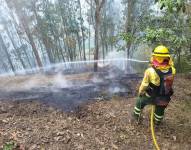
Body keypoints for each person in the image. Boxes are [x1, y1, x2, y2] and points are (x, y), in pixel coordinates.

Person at [132, 45, 176, 125]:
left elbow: (144, 84)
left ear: (155, 57)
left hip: (152, 96)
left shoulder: (150, 71)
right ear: (168, 58)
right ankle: (157, 122)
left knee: (139, 101)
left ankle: (136, 118)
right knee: (160, 109)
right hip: (165, 97)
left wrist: (140, 92)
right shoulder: (173, 70)